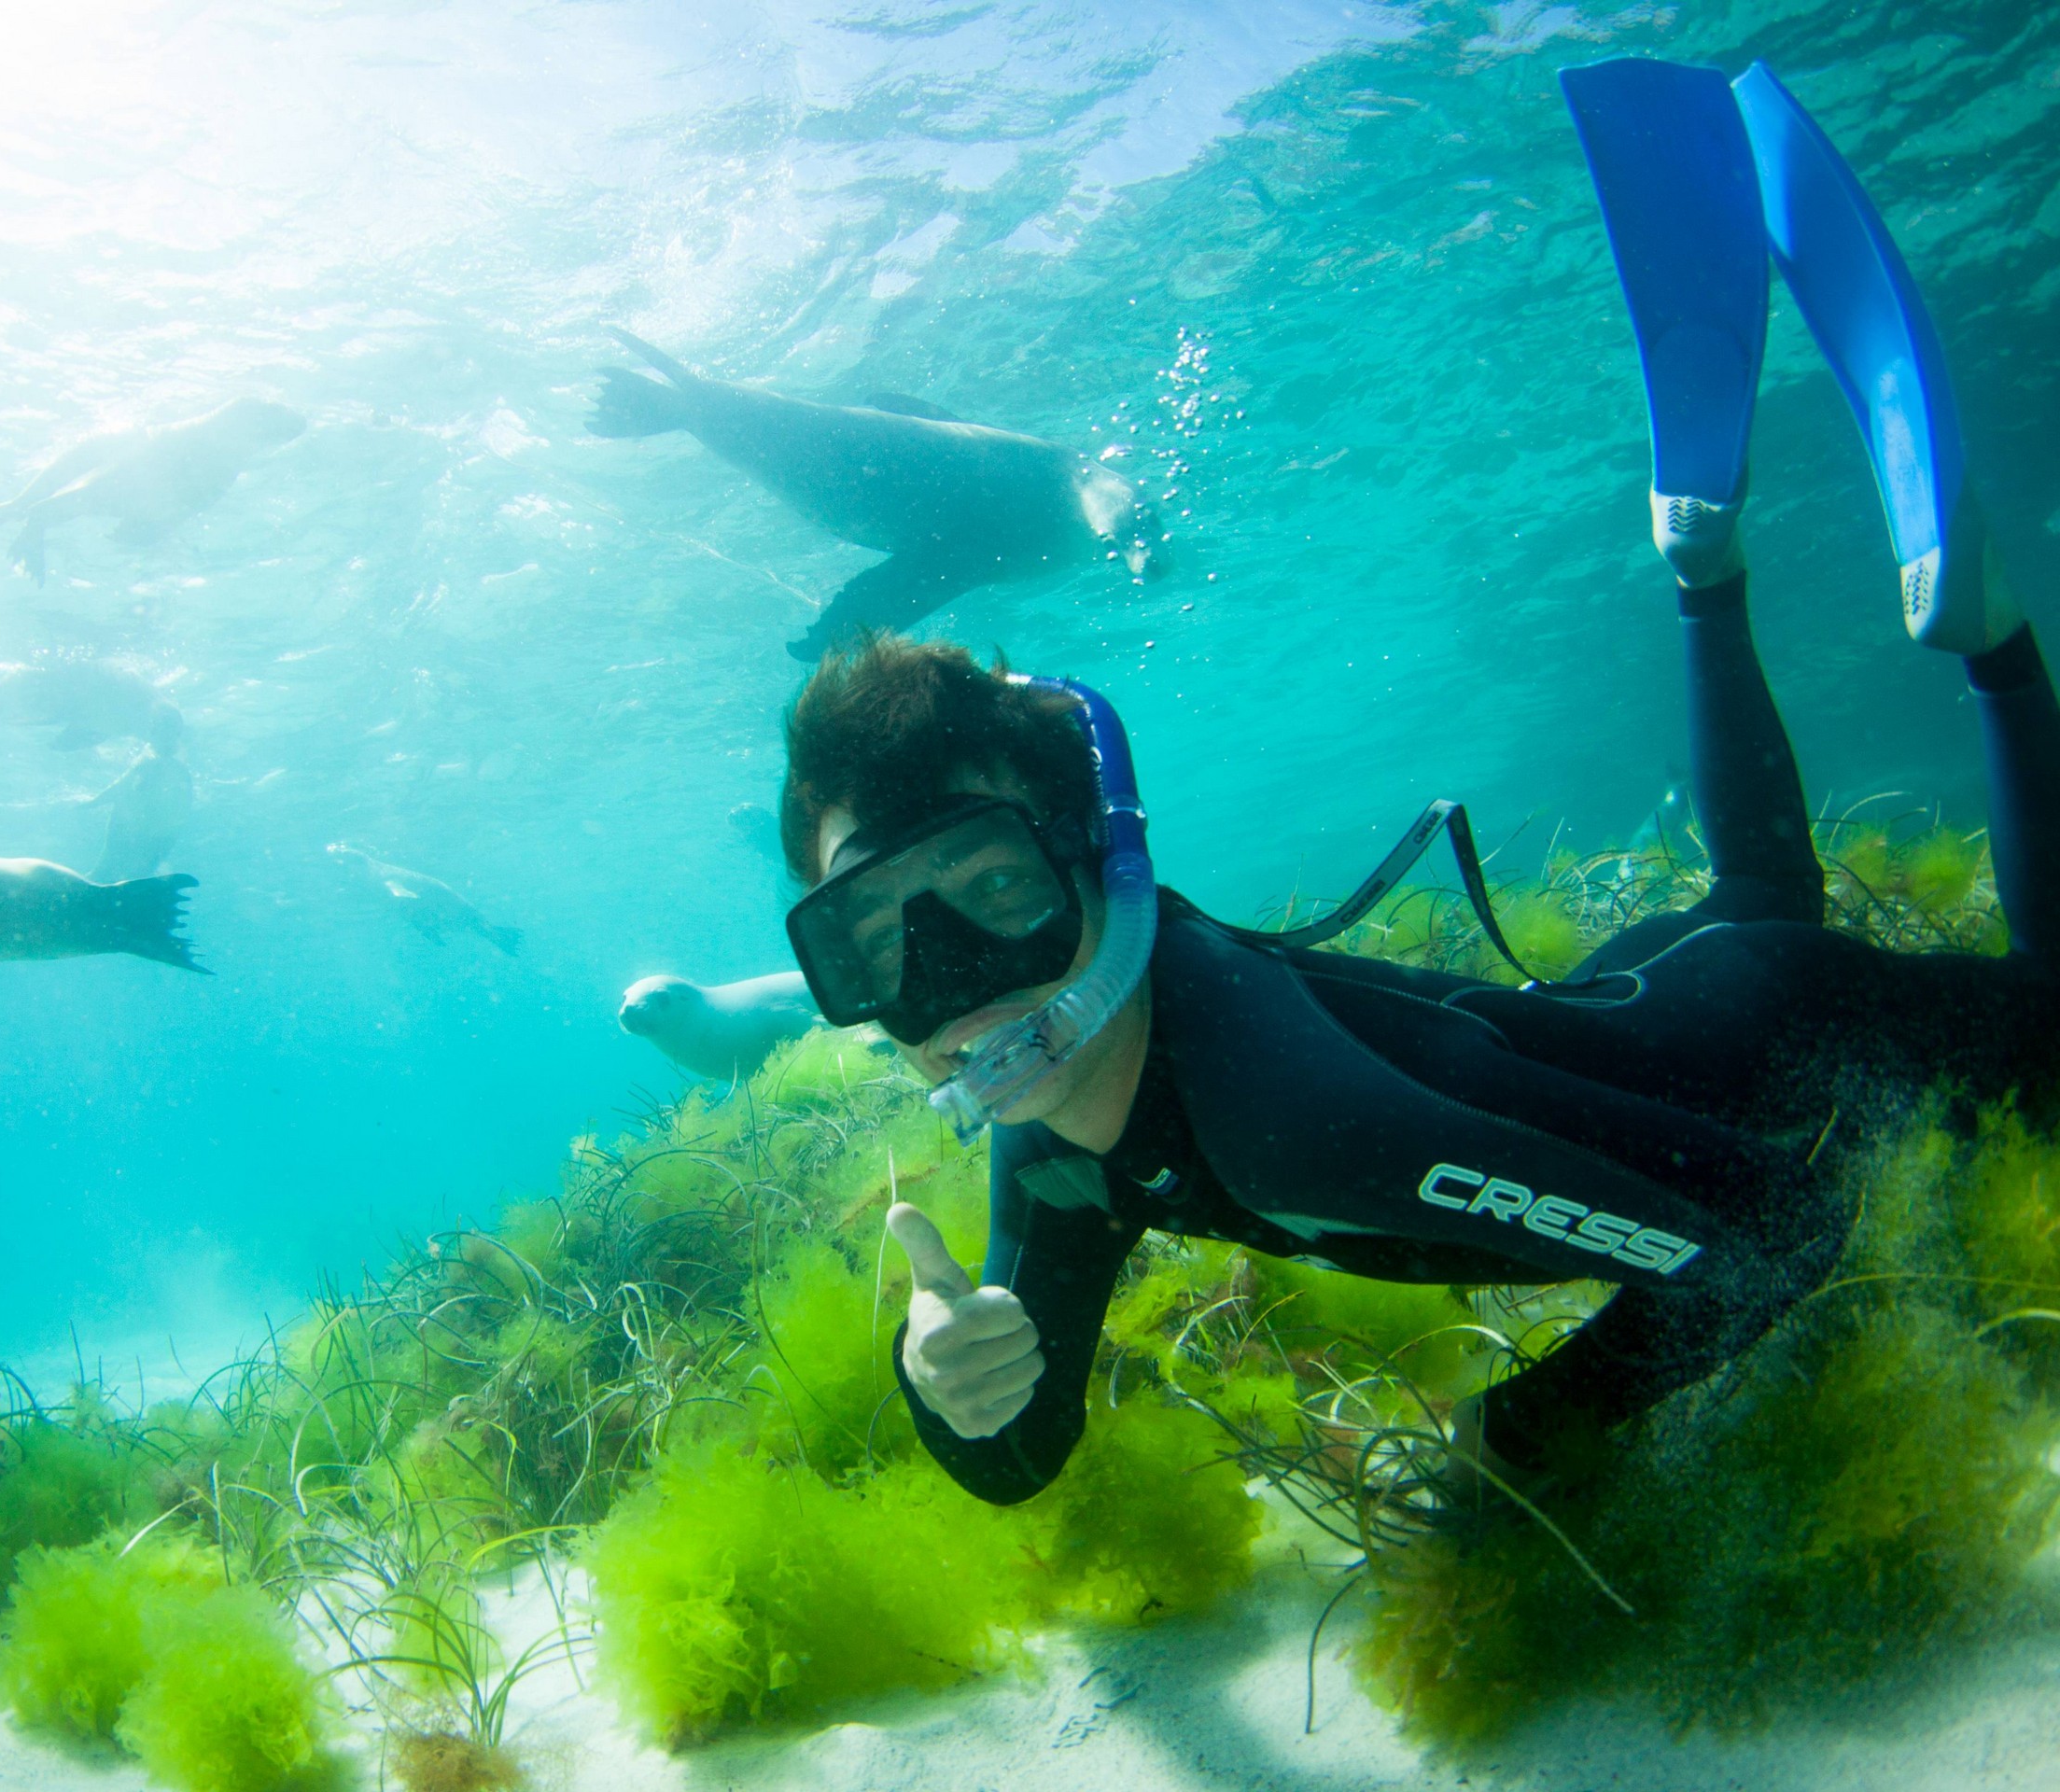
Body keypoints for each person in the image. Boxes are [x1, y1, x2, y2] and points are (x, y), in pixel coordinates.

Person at [771, 60, 2060, 1505]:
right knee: (1759, 894)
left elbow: (1779, 1221)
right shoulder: (1060, 1131)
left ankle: (1995, 645)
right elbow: (1020, 1456)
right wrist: (951, 1383)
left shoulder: (1294, 1129)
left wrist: (1518, 1437)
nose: (961, 988)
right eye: (877, 937)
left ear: (1095, 859)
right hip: (1656, 998)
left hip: (1781, 1027)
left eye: (994, 889)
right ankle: (1703, 568)